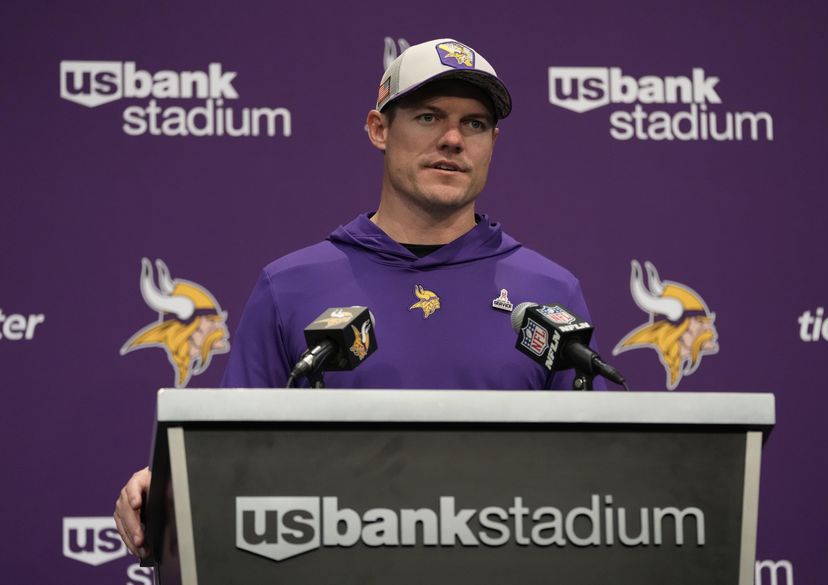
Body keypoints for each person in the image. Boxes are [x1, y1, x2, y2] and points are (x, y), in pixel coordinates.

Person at [114, 38, 601, 558]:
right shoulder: (291, 285)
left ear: (492, 142)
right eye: (428, 116)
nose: (454, 139)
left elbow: (591, 481)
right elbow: (235, 460)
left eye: (475, 123)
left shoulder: (550, 293)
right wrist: (166, 486)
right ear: (378, 129)